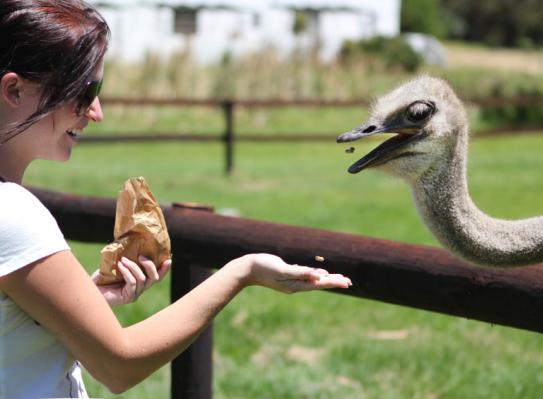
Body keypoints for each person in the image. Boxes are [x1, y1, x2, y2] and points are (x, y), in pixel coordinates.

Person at [0, 1, 352, 397]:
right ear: (14, 89)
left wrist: (83, 301)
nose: (96, 111)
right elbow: (119, 365)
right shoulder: (14, 212)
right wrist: (241, 273)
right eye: (84, 91)